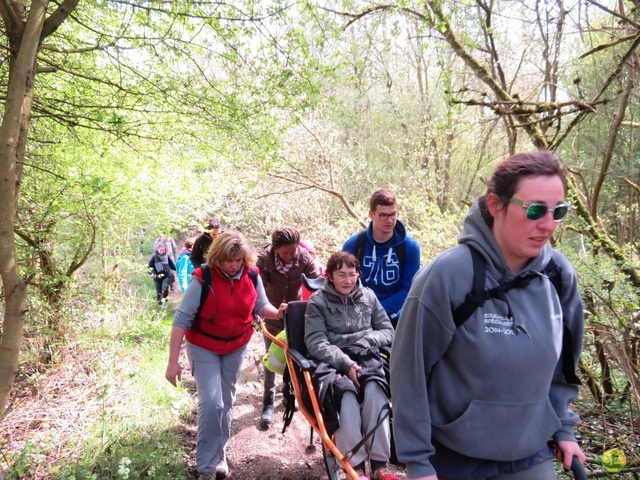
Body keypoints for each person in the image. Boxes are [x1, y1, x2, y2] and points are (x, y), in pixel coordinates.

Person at [390, 150, 586, 480]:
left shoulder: (558, 276)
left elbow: (564, 365)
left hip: (531, 450)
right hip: (454, 455)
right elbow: (409, 373)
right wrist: (418, 462)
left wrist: (564, 428)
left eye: (558, 211)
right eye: (535, 210)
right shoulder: (447, 276)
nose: (548, 224)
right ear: (496, 206)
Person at [165, 231, 286, 480]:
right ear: (217, 258)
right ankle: (206, 467)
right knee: (212, 403)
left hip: (235, 346)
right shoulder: (203, 278)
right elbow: (181, 320)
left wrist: (280, 313)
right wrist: (172, 362)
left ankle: (219, 455)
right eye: (228, 261)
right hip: (203, 346)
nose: (233, 266)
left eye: (238, 260)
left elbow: (261, 306)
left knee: (226, 402)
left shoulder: (252, 275)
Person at [305, 251, 399, 480]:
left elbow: (388, 330)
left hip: (366, 355)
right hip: (332, 361)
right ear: (329, 276)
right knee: (345, 396)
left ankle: (379, 464)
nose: (347, 281)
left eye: (352, 274)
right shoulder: (317, 301)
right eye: (341, 275)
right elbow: (316, 342)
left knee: (376, 390)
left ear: (358, 275)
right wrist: (345, 364)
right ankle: (353, 467)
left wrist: (368, 341)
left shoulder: (368, 296)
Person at [255, 228, 322, 427]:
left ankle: (288, 394)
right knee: (272, 356)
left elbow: (317, 285)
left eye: (292, 252)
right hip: (273, 315)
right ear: (276, 250)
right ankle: (268, 401)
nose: (289, 257)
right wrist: (259, 311)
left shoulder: (304, 258)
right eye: (285, 253)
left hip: (295, 316)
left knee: (293, 357)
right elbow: (257, 289)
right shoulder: (264, 260)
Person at [342, 188, 421, 326]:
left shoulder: (410, 248)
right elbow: (342, 283)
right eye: (383, 215)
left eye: (393, 214)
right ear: (371, 214)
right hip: (358, 316)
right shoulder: (354, 245)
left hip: (395, 319)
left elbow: (408, 289)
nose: (390, 220)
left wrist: (377, 312)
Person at [148, 242, 176, 308]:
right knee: (159, 291)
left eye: (163, 250)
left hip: (166, 275)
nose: (162, 251)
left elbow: (172, 265)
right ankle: (159, 304)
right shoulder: (154, 257)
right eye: (161, 250)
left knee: (165, 289)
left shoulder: (167, 257)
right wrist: (152, 273)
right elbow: (149, 267)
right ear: (157, 250)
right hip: (157, 276)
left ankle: (165, 303)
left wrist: (178, 270)